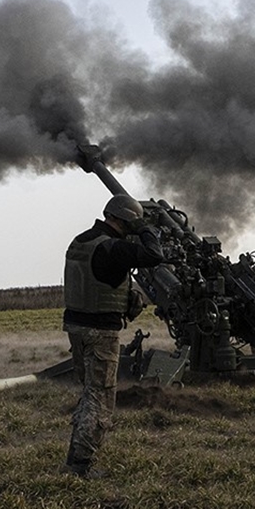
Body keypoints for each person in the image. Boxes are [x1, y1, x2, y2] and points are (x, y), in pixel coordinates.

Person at [62, 194, 164, 478]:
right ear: (126, 219)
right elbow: (155, 255)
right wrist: (145, 229)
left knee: (89, 393)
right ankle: (81, 465)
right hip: (101, 331)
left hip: (76, 326)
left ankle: (75, 456)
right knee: (101, 396)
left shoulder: (81, 240)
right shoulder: (114, 247)